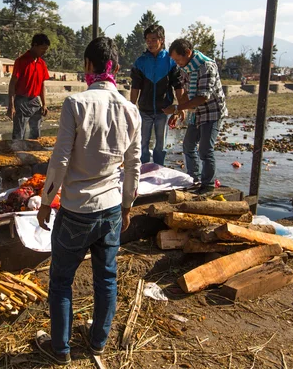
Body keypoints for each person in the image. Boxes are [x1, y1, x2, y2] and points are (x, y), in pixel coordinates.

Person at [35, 37, 141, 365]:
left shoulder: (75, 104)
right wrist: (127, 206)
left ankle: (61, 349)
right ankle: (98, 343)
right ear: (117, 69)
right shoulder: (131, 110)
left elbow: (60, 160)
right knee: (106, 278)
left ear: (87, 66)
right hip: (110, 209)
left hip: (76, 210)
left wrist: (45, 200)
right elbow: (133, 166)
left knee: (62, 281)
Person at [163, 39, 228, 193]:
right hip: (196, 112)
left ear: (188, 53)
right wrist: (179, 111)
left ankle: (208, 185)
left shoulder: (206, 66)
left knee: (205, 149)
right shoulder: (186, 68)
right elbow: (185, 92)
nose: (177, 63)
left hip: (212, 112)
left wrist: (178, 107)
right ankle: (194, 178)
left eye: (178, 59)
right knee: (188, 145)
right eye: (175, 60)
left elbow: (202, 97)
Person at [130, 25, 184, 165]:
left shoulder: (170, 61)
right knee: (142, 144)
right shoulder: (140, 62)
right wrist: (131, 107)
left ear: (162, 40)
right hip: (144, 110)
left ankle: (159, 169)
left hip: (163, 110)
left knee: (160, 145)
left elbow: (178, 85)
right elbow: (135, 86)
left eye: (154, 39)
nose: (150, 43)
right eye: (148, 40)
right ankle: (142, 172)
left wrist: (181, 107)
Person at [7, 34, 50, 140]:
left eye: (46, 50)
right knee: (19, 133)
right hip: (21, 101)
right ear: (35, 45)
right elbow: (12, 84)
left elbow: (42, 85)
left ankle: (32, 152)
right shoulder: (21, 61)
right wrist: (11, 106)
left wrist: (44, 104)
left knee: (36, 132)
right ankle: (17, 152)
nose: (44, 52)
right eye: (42, 49)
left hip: (35, 101)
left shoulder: (42, 64)